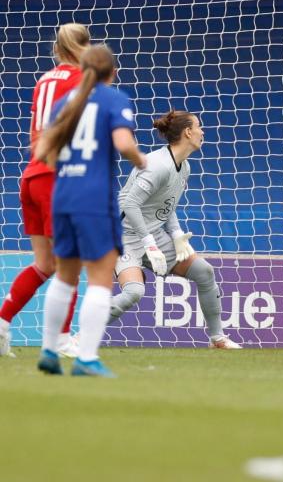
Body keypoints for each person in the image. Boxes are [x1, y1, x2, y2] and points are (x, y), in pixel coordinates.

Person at [35, 44, 147, 377]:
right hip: (94, 200)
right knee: (100, 279)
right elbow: (124, 143)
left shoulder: (64, 103)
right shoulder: (113, 99)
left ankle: (49, 350)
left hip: (63, 195)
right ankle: (85, 358)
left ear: (83, 69)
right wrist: (141, 161)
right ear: (112, 72)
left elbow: (42, 151)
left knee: (65, 276)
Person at [109, 110, 240, 349]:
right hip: (124, 236)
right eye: (199, 127)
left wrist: (177, 235)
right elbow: (129, 204)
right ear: (188, 132)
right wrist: (148, 242)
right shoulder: (157, 166)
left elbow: (166, 207)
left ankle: (217, 339)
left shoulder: (184, 167)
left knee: (204, 272)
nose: (202, 132)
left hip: (155, 235)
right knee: (134, 293)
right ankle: (79, 337)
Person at [0, 24, 90, 359]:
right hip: (57, 178)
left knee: (44, 263)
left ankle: (2, 323)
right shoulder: (82, 80)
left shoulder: (44, 80)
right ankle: (62, 339)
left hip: (32, 176)